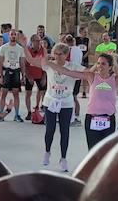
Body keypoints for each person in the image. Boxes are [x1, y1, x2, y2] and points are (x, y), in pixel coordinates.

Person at [25, 42, 83, 171]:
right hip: (50, 101)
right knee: (50, 129)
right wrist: (24, 45)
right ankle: (47, 151)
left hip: (66, 103)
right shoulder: (49, 65)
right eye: (55, 53)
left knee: (65, 131)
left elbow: (89, 72)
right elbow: (30, 60)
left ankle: (63, 158)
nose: (57, 56)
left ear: (66, 55)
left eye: (60, 54)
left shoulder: (73, 66)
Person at [0, 29, 25, 122]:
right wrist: (0, 75)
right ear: (9, 36)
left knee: (16, 94)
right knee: (3, 93)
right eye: (12, 34)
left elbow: (22, 62)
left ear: (17, 36)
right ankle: (1, 114)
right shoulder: (3, 47)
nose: (13, 36)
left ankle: (16, 115)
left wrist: (23, 75)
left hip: (16, 71)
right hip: (6, 71)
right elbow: (0, 63)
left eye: (15, 35)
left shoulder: (20, 49)